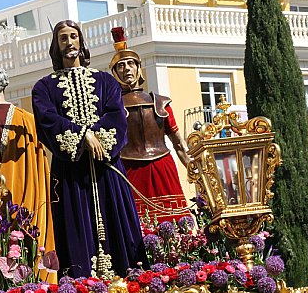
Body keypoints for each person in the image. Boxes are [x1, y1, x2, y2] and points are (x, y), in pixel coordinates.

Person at [32, 20, 144, 279]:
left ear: (81, 42)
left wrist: (99, 140)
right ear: (56, 45)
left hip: (107, 167)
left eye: (73, 36)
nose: (69, 42)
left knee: (119, 223)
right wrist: (83, 137)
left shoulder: (105, 81)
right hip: (70, 173)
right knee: (74, 227)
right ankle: (81, 287)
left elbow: (116, 115)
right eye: (63, 38)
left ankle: (131, 280)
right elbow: (47, 120)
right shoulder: (44, 88)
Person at [0, 67, 55, 279]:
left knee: (3, 263)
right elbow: (40, 169)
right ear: (5, 86)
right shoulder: (28, 121)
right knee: (31, 253)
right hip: (30, 204)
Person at [109, 27, 191, 224]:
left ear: (138, 68)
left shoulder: (160, 102)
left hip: (162, 167)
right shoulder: (111, 108)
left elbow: (178, 143)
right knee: (135, 225)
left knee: (176, 225)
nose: (126, 69)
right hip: (129, 170)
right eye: (121, 65)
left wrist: (193, 169)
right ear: (114, 72)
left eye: (130, 64)